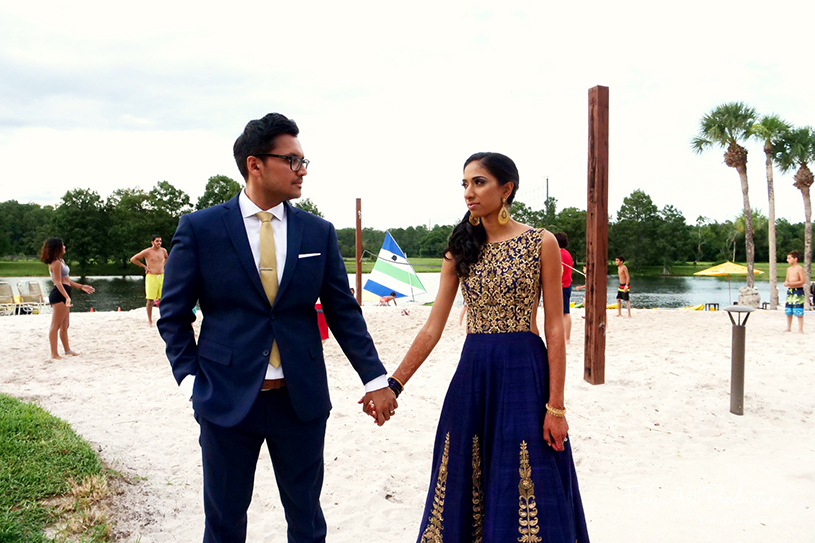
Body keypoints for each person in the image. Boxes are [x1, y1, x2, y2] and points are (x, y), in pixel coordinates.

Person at [157, 113, 397, 543]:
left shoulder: (316, 233)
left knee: (306, 520)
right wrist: (190, 380)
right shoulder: (200, 229)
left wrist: (376, 379)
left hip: (300, 400)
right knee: (225, 521)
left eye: (305, 161)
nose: (302, 170)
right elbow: (173, 314)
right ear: (255, 164)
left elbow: (343, 312)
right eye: (292, 160)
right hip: (225, 399)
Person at [369, 152, 589, 541]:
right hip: (473, 374)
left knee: (529, 477)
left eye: (479, 182)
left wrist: (556, 405)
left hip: (525, 372)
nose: (469, 192)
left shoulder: (542, 242)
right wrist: (394, 383)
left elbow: (555, 327)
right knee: (463, 476)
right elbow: (433, 326)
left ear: (507, 190)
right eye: (465, 184)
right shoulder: (460, 246)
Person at [39, 238, 95, 360]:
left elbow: (67, 280)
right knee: (55, 325)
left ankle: (67, 350)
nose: (64, 247)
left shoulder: (61, 261)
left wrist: (81, 286)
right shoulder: (56, 263)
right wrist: (67, 297)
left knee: (65, 324)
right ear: (57, 248)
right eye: (62, 245)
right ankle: (54, 354)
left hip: (65, 292)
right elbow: (58, 283)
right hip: (59, 294)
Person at [130, 235, 169, 325]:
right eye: (157, 241)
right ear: (152, 242)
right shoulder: (147, 251)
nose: (159, 243)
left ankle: (163, 318)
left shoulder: (163, 250)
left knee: (162, 299)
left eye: (160, 241)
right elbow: (133, 259)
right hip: (151, 276)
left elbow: (166, 257)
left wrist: (163, 265)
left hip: (161, 276)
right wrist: (145, 267)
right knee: (150, 299)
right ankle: (150, 320)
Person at [555, 232, 574, 344]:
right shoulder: (567, 253)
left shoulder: (559, 253)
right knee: (565, 312)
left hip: (562, 285)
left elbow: (560, 270)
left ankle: (566, 338)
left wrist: (556, 283)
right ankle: (566, 337)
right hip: (567, 285)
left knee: (564, 313)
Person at [783, 250, 806, 333]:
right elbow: (787, 279)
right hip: (790, 290)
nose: (787, 260)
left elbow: (803, 281)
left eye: (789, 258)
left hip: (798, 291)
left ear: (795, 259)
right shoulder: (788, 269)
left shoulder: (799, 268)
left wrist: (792, 283)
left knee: (798, 310)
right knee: (789, 310)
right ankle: (788, 327)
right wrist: (786, 283)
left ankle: (800, 329)